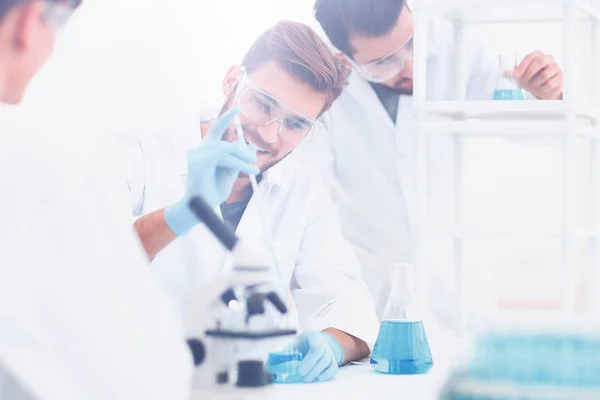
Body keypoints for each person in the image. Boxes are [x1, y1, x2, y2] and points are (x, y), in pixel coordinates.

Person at [0, 0, 255, 398]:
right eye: (59, 23)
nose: (52, 47)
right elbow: (140, 372)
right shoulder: (33, 163)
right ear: (30, 20)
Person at [116, 21, 379, 383]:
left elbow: (348, 304)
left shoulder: (302, 191)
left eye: (296, 124)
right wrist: (183, 213)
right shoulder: (142, 153)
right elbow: (89, 263)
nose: (270, 133)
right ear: (231, 82)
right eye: (262, 103)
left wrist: (332, 344)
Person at [293, 0, 565, 320]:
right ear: (345, 61)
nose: (410, 65)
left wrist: (546, 94)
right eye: (384, 61)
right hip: (369, 277)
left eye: (411, 43)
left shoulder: (458, 45)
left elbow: (538, 132)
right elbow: (306, 189)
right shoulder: (319, 82)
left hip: (454, 276)